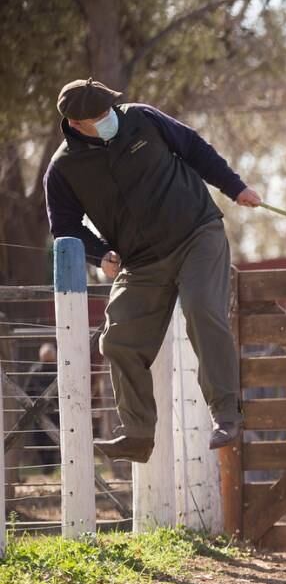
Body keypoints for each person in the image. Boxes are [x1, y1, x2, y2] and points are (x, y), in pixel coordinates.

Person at [44, 78, 262, 463]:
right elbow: (65, 227)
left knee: (201, 308)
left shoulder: (142, 119)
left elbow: (194, 148)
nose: (110, 117)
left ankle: (226, 414)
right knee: (117, 341)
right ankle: (138, 434)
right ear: (76, 125)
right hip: (140, 261)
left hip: (197, 233)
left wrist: (234, 187)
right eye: (99, 116)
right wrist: (100, 254)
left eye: (109, 108)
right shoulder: (63, 170)